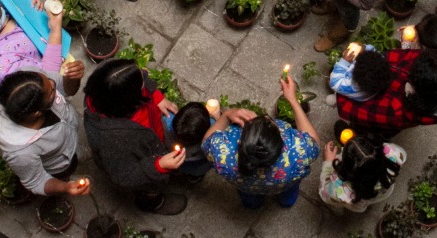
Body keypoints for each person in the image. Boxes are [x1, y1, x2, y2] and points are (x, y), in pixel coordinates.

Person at [82, 59, 188, 214]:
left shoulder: (108, 86)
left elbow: (142, 78)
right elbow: (124, 176)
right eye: (142, 86)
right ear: (128, 100)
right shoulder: (113, 140)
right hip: (144, 163)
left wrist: (156, 97)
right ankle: (153, 203)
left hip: (151, 137)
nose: (145, 74)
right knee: (151, 188)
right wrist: (158, 166)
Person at [203, 73, 320, 209]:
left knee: (250, 199)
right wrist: (293, 100)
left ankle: (253, 205)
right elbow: (314, 141)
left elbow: (206, 140)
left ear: (241, 142)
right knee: (288, 194)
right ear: (281, 143)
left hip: (246, 188)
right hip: (284, 184)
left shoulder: (222, 154)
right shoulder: (299, 151)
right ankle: (286, 201)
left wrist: (228, 115)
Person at [0, 68, 91, 198]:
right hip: (61, 164)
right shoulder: (20, 152)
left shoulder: (34, 81)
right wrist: (66, 187)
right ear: (37, 113)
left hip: (70, 137)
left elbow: (65, 88)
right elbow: (37, 181)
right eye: (52, 92)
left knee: (77, 151)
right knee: (70, 166)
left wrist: (73, 78)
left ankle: (79, 151)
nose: (54, 84)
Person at [336, 49, 437, 138]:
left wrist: (344, 85)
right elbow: (407, 55)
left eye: (410, 74)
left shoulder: (394, 111)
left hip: (378, 122)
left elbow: (348, 109)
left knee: (369, 130)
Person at [318, 131, 405, 213]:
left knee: (357, 205)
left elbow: (324, 194)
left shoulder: (338, 189)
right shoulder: (393, 154)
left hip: (358, 202)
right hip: (384, 192)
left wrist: (328, 162)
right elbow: (403, 154)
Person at [164, 101, 214, 179]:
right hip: (197, 167)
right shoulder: (212, 140)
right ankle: (194, 178)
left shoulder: (166, 122)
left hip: (176, 161)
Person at [327, 45, 392, 102]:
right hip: (370, 93)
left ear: (354, 76)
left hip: (354, 95)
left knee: (330, 91)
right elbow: (373, 51)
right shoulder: (380, 66)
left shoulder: (352, 86)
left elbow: (334, 83)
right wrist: (364, 47)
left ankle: (335, 98)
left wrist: (344, 62)